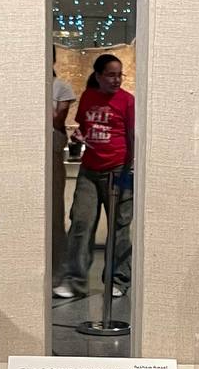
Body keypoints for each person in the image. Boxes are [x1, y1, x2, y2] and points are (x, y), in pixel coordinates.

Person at [55, 54, 135, 299]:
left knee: (119, 227)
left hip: (119, 170)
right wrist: (79, 137)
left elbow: (133, 136)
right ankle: (76, 281)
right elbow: (83, 128)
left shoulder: (127, 101)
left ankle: (118, 280)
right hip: (89, 170)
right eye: (110, 75)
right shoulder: (89, 97)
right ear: (99, 76)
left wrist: (130, 170)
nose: (116, 80)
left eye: (119, 75)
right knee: (81, 222)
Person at [50, 48, 77, 289]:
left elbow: (58, 120)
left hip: (53, 152)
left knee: (55, 214)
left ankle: (59, 269)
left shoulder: (61, 87)